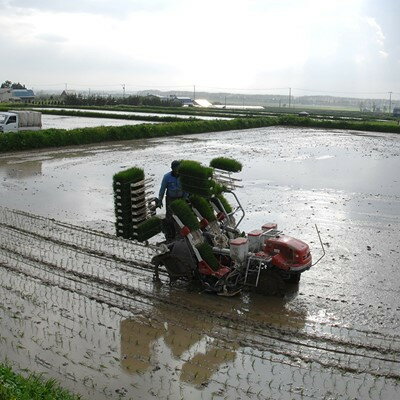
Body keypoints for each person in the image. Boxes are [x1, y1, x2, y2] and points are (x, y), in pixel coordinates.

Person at [157, 160, 185, 240]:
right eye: (176, 169)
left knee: (180, 216)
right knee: (170, 217)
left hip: (180, 199)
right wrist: (159, 200)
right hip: (170, 199)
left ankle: (180, 234)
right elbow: (162, 189)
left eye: (179, 169)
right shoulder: (167, 177)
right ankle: (170, 234)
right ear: (172, 169)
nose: (177, 171)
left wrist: (184, 199)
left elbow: (186, 189)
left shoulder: (183, 176)